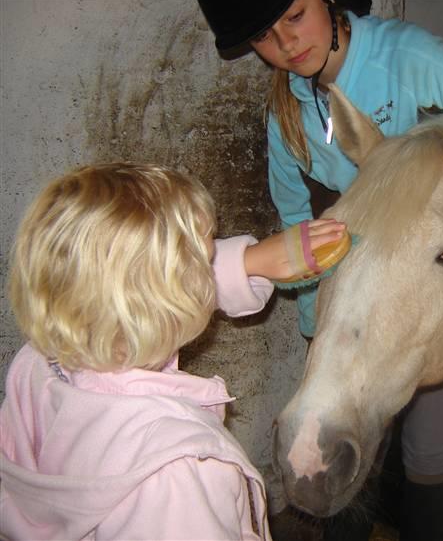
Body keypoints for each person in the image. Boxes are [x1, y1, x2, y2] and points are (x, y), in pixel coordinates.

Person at [195, 0, 443, 539]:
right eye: (263, 36)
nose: (285, 44)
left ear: (328, 0)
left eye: (295, 16)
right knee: (355, 453)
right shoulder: (286, 118)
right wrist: (318, 336)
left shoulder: (411, 60)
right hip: (353, 293)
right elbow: (297, 230)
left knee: (427, 454)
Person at [0, 163, 345, 540]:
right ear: (170, 300)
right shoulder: (179, 474)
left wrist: (249, 261)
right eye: (203, 258)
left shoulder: (38, 366)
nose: (210, 264)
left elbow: (132, 288)